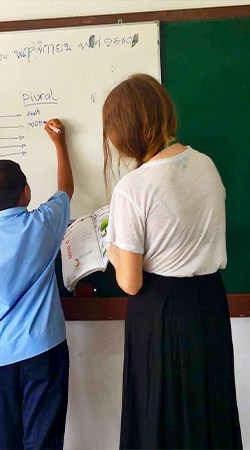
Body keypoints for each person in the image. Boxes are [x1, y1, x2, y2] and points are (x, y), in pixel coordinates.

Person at [103, 74, 242, 449]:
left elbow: (130, 282)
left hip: (161, 310)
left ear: (124, 132)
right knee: (207, 410)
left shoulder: (133, 188)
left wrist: (113, 251)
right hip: (210, 302)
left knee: (160, 416)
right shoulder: (206, 165)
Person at [0, 119, 73, 450]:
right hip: (45, 348)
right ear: (26, 192)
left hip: (1, 352)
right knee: (44, 435)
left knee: (6, 436)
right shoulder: (44, 223)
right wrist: (60, 144)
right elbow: (65, 190)